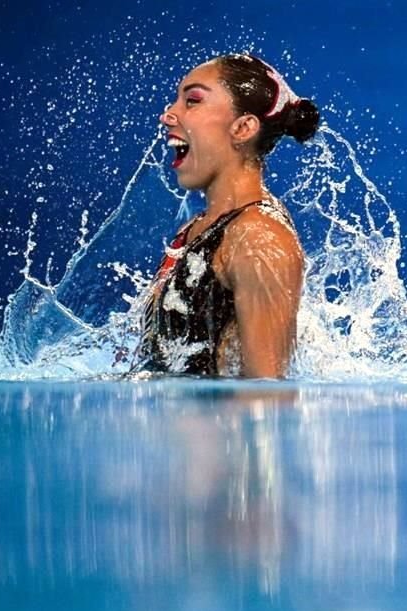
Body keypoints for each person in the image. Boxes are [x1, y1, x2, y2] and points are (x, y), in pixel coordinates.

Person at [133, 53, 319, 377]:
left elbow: (267, 396)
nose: (168, 115)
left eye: (192, 101)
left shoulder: (257, 239)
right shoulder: (199, 230)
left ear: (243, 127)